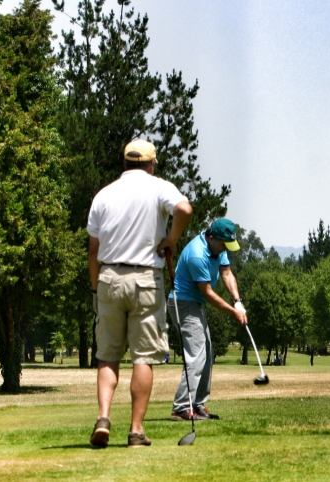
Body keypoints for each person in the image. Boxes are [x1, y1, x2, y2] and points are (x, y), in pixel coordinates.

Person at [87, 139, 192, 448]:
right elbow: (184, 209)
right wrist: (171, 238)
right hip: (146, 278)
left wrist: (96, 287)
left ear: (125, 163)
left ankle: (103, 418)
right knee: (142, 358)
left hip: (109, 276)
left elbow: (93, 251)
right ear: (151, 164)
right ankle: (135, 430)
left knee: (107, 354)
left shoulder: (104, 195)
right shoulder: (159, 187)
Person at [170, 218, 248, 421]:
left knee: (208, 353)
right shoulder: (198, 254)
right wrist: (233, 312)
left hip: (196, 305)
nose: (225, 249)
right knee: (196, 355)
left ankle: (197, 404)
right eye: (223, 244)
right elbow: (207, 293)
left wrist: (238, 301)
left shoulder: (219, 248)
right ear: (211, 237)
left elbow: (227, 273)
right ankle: (181, 407)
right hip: (183, 304)